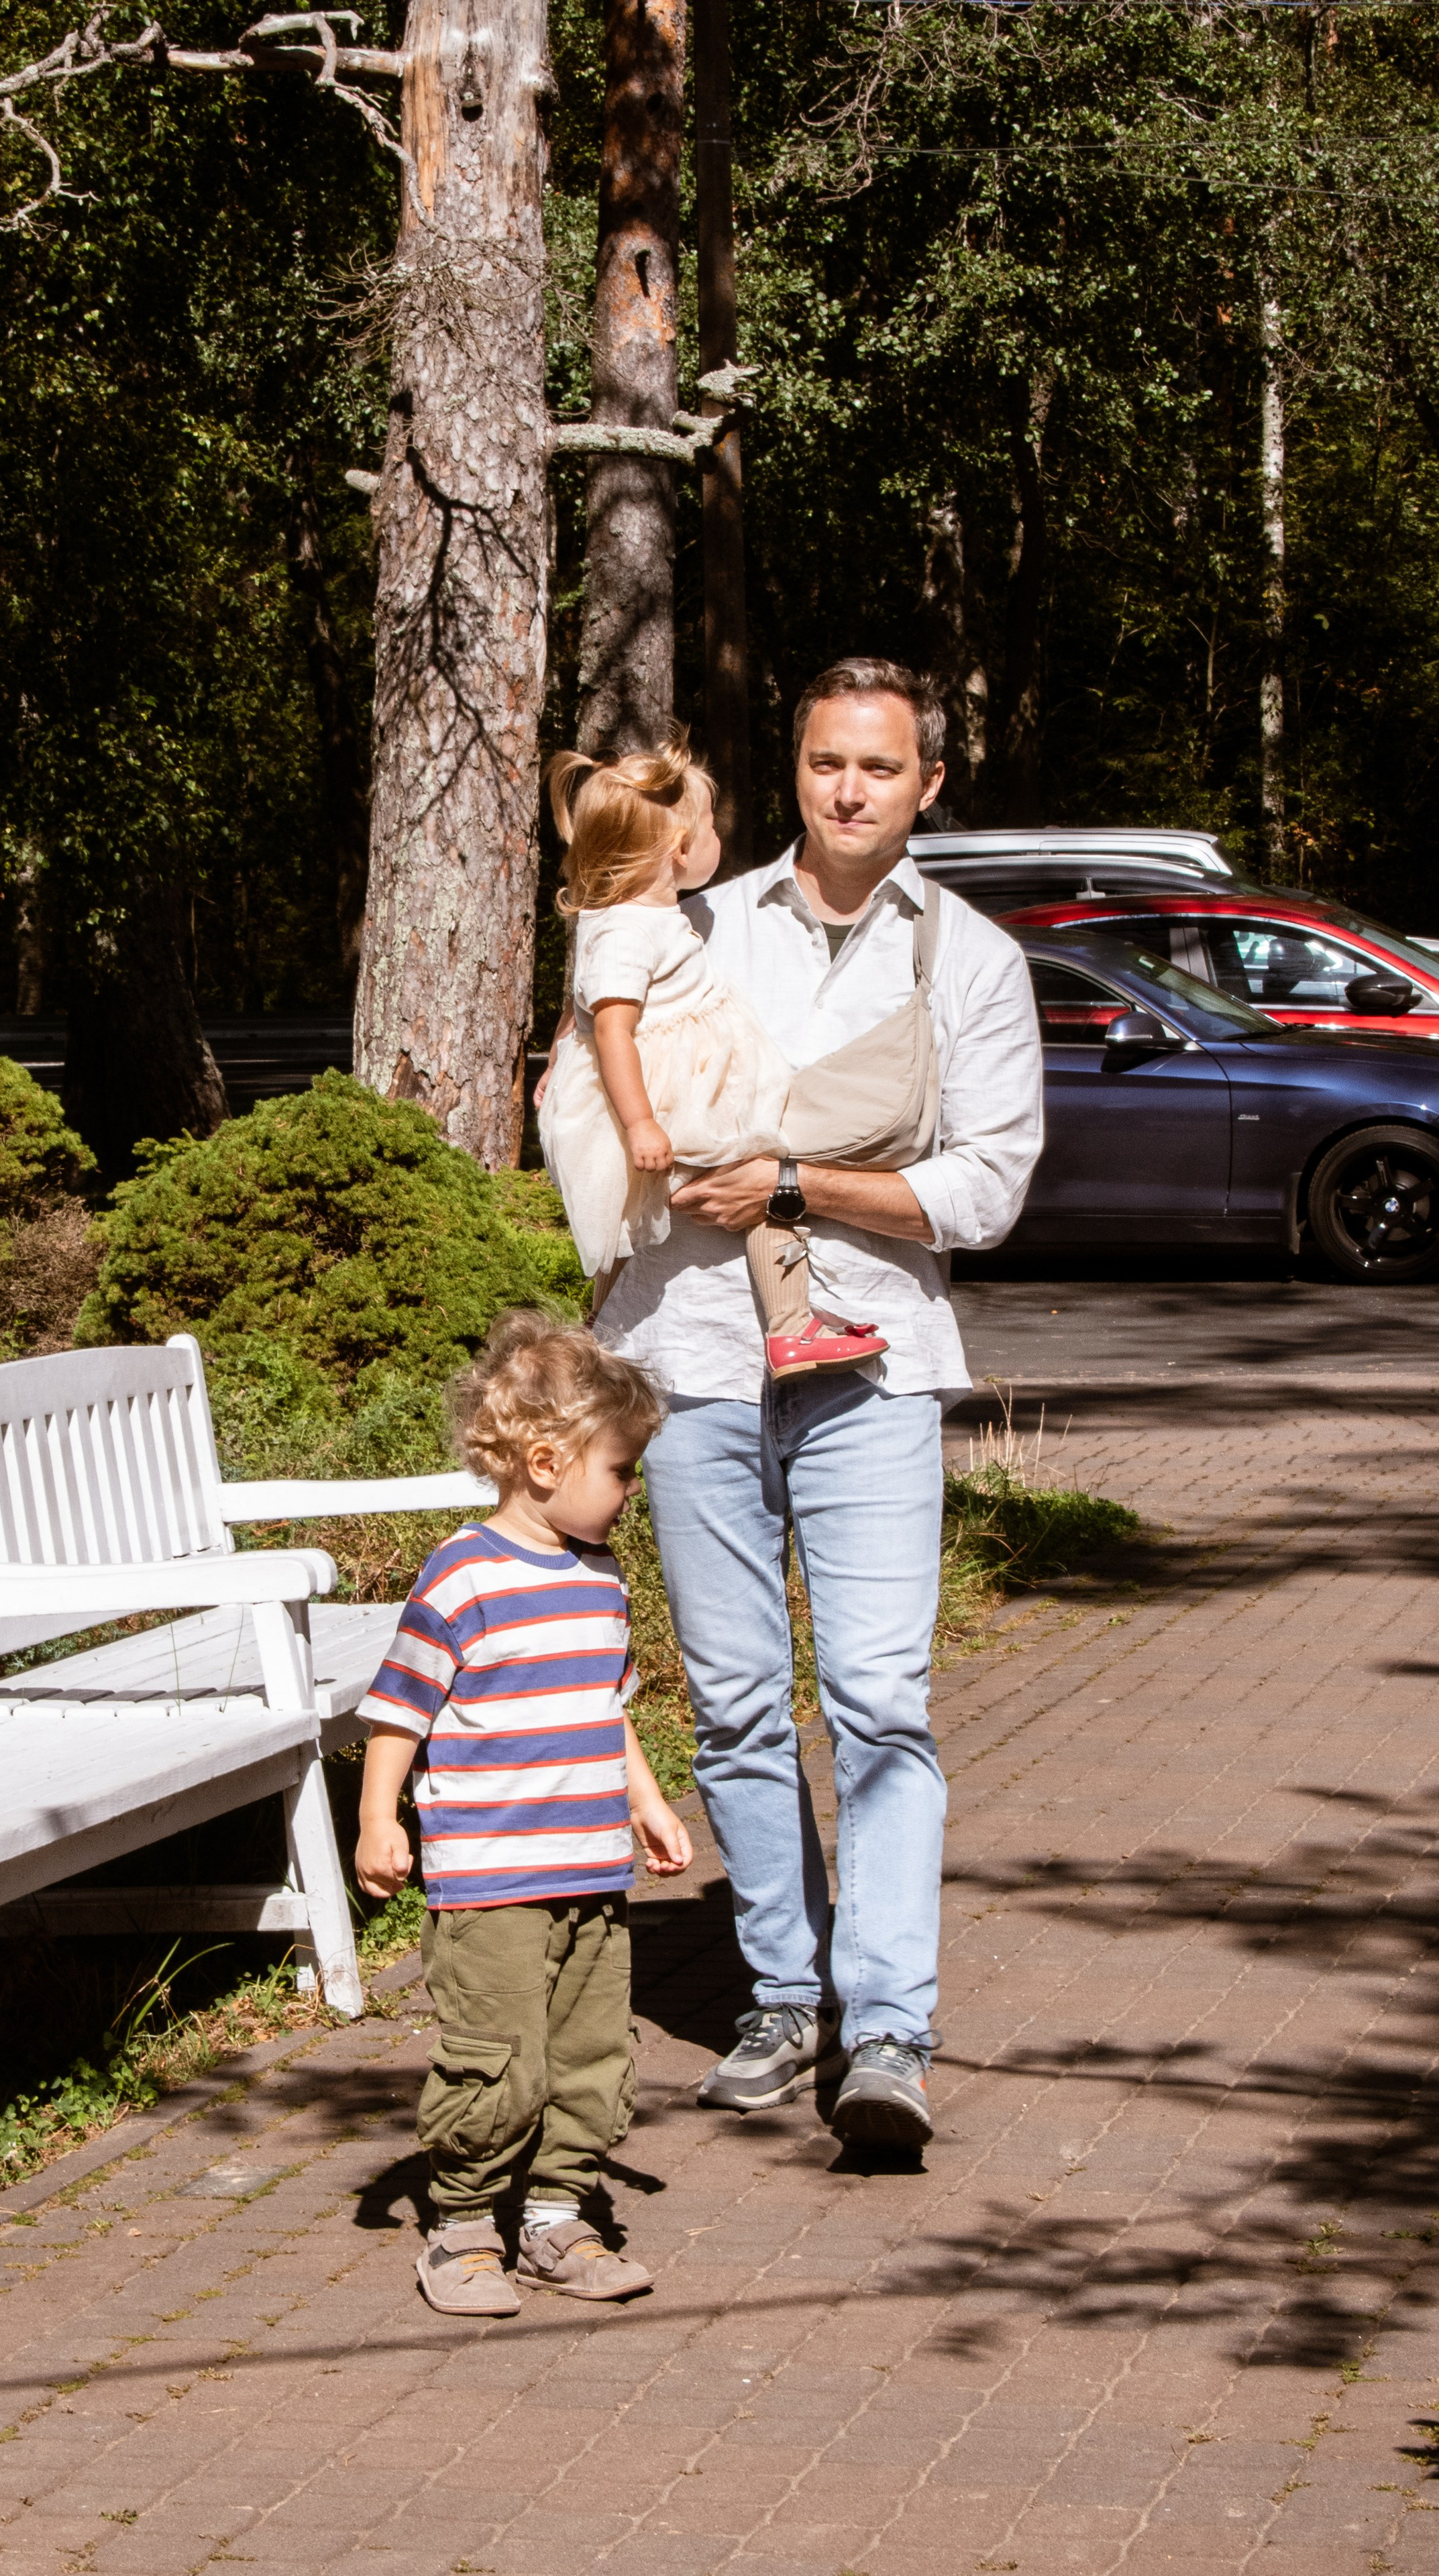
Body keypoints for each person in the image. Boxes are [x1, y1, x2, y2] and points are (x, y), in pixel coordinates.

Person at [592, 657, 1044, 2149]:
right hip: (698, 1355)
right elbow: (606, 1085)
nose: (848, 791)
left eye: (879, 767)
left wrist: (795, 1182)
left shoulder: (971, 960)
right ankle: (783, 1996)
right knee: (733, 1703)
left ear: (928, 785)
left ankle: (888, 2030)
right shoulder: (696, 924)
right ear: (794, 770)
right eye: (824, 762)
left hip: (872, 1364)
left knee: (878, 1701)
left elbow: (987, 1188)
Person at [354, 1311, 694, 2318]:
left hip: (590, 1870)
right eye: (621, 1471)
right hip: (490, 1879)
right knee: (496, 2059)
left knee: (590, 2056)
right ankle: (462, 2227)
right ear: (547, 1463)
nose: (632, 1491)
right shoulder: (463, 1577)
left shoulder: (600, 1579)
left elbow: (605, 1708)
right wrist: (378, 1820)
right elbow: (398, 1710)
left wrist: (647, 1801)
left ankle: (554, 2218)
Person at [537, 734, 888, 1380]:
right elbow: (611, 1029)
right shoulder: (626, 928)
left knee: (626, 1227)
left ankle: (598, 1339)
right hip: (668, 1098)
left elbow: (580, 1001)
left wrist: (560, 1051)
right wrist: (642, 1123)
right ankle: (791, 1327)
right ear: (679, 850)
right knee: (762, 1181)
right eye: (709, 828)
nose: (716, 839)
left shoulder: (633, 916)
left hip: (673, 1089)